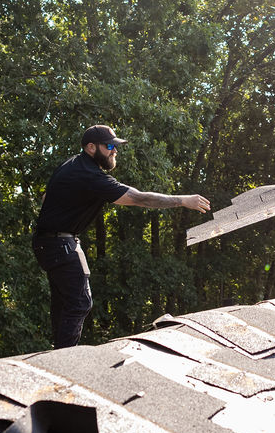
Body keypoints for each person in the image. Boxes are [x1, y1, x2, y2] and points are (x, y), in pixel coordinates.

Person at [32, 125, 210, 348]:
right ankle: (64, 357)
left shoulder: (72, 164)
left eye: (116, 146)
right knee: (80, 303)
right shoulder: (90, 175)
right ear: (91, 147)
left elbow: (46, 196)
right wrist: (183, 200)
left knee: (63, 302)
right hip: (60, 244)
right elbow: (139, 199)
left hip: (49, 243)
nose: (115, 151)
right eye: (109, 146)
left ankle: (57, 354)